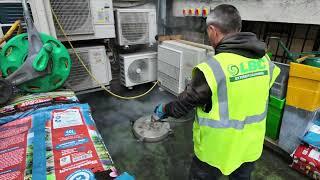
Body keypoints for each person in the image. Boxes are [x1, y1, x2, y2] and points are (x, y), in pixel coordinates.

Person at [154, 4, 280, 180]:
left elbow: (183, 105)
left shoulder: (213, 68)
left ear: (213, 30)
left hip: (215, 152)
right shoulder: (265, 62)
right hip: (249, 147)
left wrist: (164, 109)